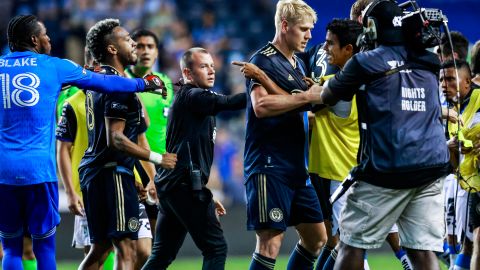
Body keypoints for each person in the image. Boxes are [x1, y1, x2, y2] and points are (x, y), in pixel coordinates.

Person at [0, 14, 164, 270]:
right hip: (39, 172)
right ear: (34, 39)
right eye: (45, 34)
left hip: (4, 172)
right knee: (43, 247)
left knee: (11, 247)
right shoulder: (55, 66)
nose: (49, 38)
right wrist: (143, 83)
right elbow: (105, 82)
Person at [314, 1, 451, 269]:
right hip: (432, 168)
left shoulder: (364, 62)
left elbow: (328, 96)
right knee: (422, 252)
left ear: (372, 27)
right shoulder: (430, 60)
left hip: (387, 169)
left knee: (352, 243)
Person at [77, 18, 177, 270]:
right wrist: (157, 158)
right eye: (128, 40)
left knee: (99, 250)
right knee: (127, 249)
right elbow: (117, 138)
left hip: (97, 171)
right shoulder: (118, 86)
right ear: (112, 49)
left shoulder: (98, 81)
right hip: (111, 173)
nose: (133, 44)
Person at [239, 1, 327, 269]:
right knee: (270, 242)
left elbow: (299, 107)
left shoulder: (299, 64)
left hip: (297, 168)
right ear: (285, 26)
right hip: (269, 165)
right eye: (303, 29)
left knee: (316, 238)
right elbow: (262, 106)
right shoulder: (262, 59)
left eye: (310, 29)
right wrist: (305, 99)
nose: (309, 35)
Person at [141, 47, 246, 270]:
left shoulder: (194, 101)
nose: (211, 71)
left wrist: (203, 195)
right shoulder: (193, 95)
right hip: (184, 186)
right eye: (203, 66)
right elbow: (229, 103)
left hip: (173, 187)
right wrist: (260, 87)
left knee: (162, 255)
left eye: (211, 65)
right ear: (188, 74)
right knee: (215, 249)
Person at [125, 28, 175, 235]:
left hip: (162, 166)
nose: (145, 51)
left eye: (150, 46)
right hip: (134, 165)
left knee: (158, 239)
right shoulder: (123, 82)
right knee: (133, 243)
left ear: (157, 52)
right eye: (140, 46)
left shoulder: (166, 83)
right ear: (131, 49)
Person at [442, 60, 477, 270]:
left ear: (467, 82)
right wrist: (451, 147)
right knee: (459, 244)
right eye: (441, 80)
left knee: (470, 243)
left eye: (449, 79)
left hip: (475, 185)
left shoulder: (479, 99)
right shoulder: (451, 110)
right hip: (463, 182)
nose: (444, 85)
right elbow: (455, 163)